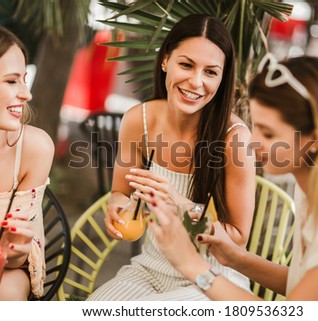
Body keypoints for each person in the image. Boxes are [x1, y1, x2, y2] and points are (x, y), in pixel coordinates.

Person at [147, 54, 318, 300]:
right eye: (255, 127)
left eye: (268, 133)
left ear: (315, 137)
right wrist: (235, 258)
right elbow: (306, 284)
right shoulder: (311, 189)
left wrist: (193, 267)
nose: (252, 143)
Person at [88, 14, 256, 300]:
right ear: (166, 60)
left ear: (222, 78)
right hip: (150, 270)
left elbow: (238, 238)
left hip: (212, 278)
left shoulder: (234, 138)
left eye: (211, 72)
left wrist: (180, 204)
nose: (196, 82)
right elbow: (120, 191)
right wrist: (117, 204)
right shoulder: (138, 121)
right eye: (186, 65)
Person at [0, 21, 54, 300]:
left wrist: (13, 251)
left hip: (8, 271)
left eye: (24, 79)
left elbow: (12, 262)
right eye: (10, 80)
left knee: (0, 295)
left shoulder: (34, 149)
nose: (26, 95)